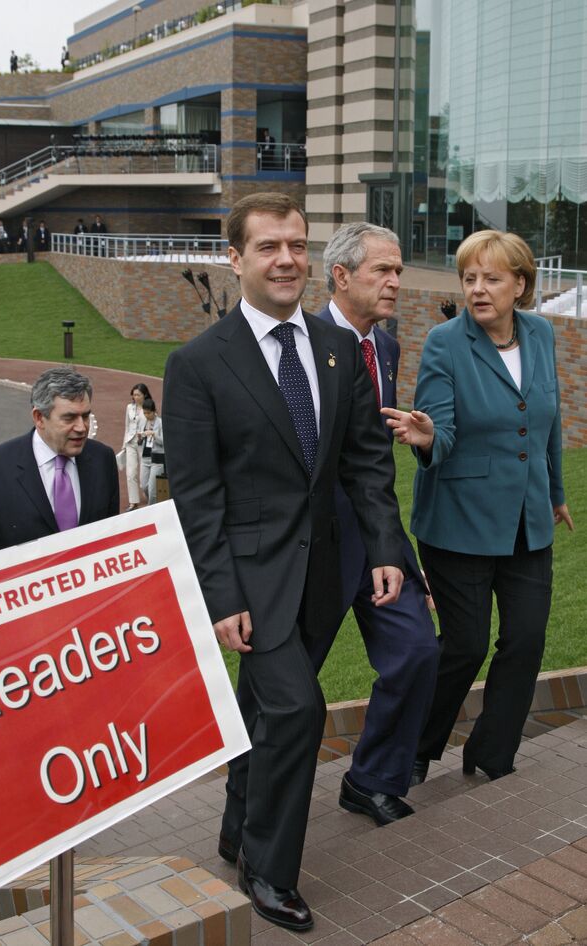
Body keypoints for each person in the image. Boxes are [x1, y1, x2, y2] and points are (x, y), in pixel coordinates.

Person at [163, 193, 405, 931]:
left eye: (297, 245)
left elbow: (366, 461)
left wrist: (387, 548)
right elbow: (198, 496)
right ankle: (268, 870)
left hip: (325, 574)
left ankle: (237, 825)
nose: (287, 260)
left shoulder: (336, 350)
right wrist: (221, 594)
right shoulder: (199, 364)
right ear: (234, 259)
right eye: (269, 247)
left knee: (261, 711)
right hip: (253, 580)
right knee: (297, 711)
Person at [383, 229, 574, 785]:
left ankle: (492, 756)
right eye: (470, 278)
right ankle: (414, 750)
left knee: (526, 639)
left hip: (526, 521)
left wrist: (556, 492)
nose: (478, 289)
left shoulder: (539, 335)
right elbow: (440, 429)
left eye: (492, 278)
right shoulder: (446, 342)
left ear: (521, 284)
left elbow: (548, 421)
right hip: (458, 521)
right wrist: (425, 438)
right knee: (463, 648)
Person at [316, 222, 438, 824]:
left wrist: (421, 441)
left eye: (398, 270)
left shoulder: (384, 347)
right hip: (312, 550)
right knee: (283, 693)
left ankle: (370, 780)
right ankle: (249, 815)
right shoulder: (303, 346)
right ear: (341, 276)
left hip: (379, 539)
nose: (396, 282)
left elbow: (373, 463)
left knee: (416, 651)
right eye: (383, 271)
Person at [0, 367, 119, 562]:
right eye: (69, 418)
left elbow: (111, 539)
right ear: (39, 418)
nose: (81, 427)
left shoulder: (103, 459)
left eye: (85, 416)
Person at [122, 382, 150, 511]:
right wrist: (124, 445)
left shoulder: (149, 408)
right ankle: (133, 502)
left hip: (144, 444)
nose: (135, 397)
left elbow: (152, 426)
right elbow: (127, 426)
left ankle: (150, 496)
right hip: (130, 443)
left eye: (138, 395)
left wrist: (143, 435)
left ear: (144, 395)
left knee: (144, 476)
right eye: (134, 395)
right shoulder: (129, 407)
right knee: (130, 473)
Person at [138, 398, 164, 505]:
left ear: (154, 411)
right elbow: (139, 441)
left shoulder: (160, 423)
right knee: (144, 486)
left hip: (157, 459)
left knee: (152, 489)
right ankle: (153, 503)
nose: (146, 415)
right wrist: (140, 437)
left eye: (148, 413)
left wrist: (153, 434)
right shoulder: (143, 421)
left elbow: (163, 441)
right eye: (144, 413)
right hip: (145, 457)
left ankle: (151, 509)